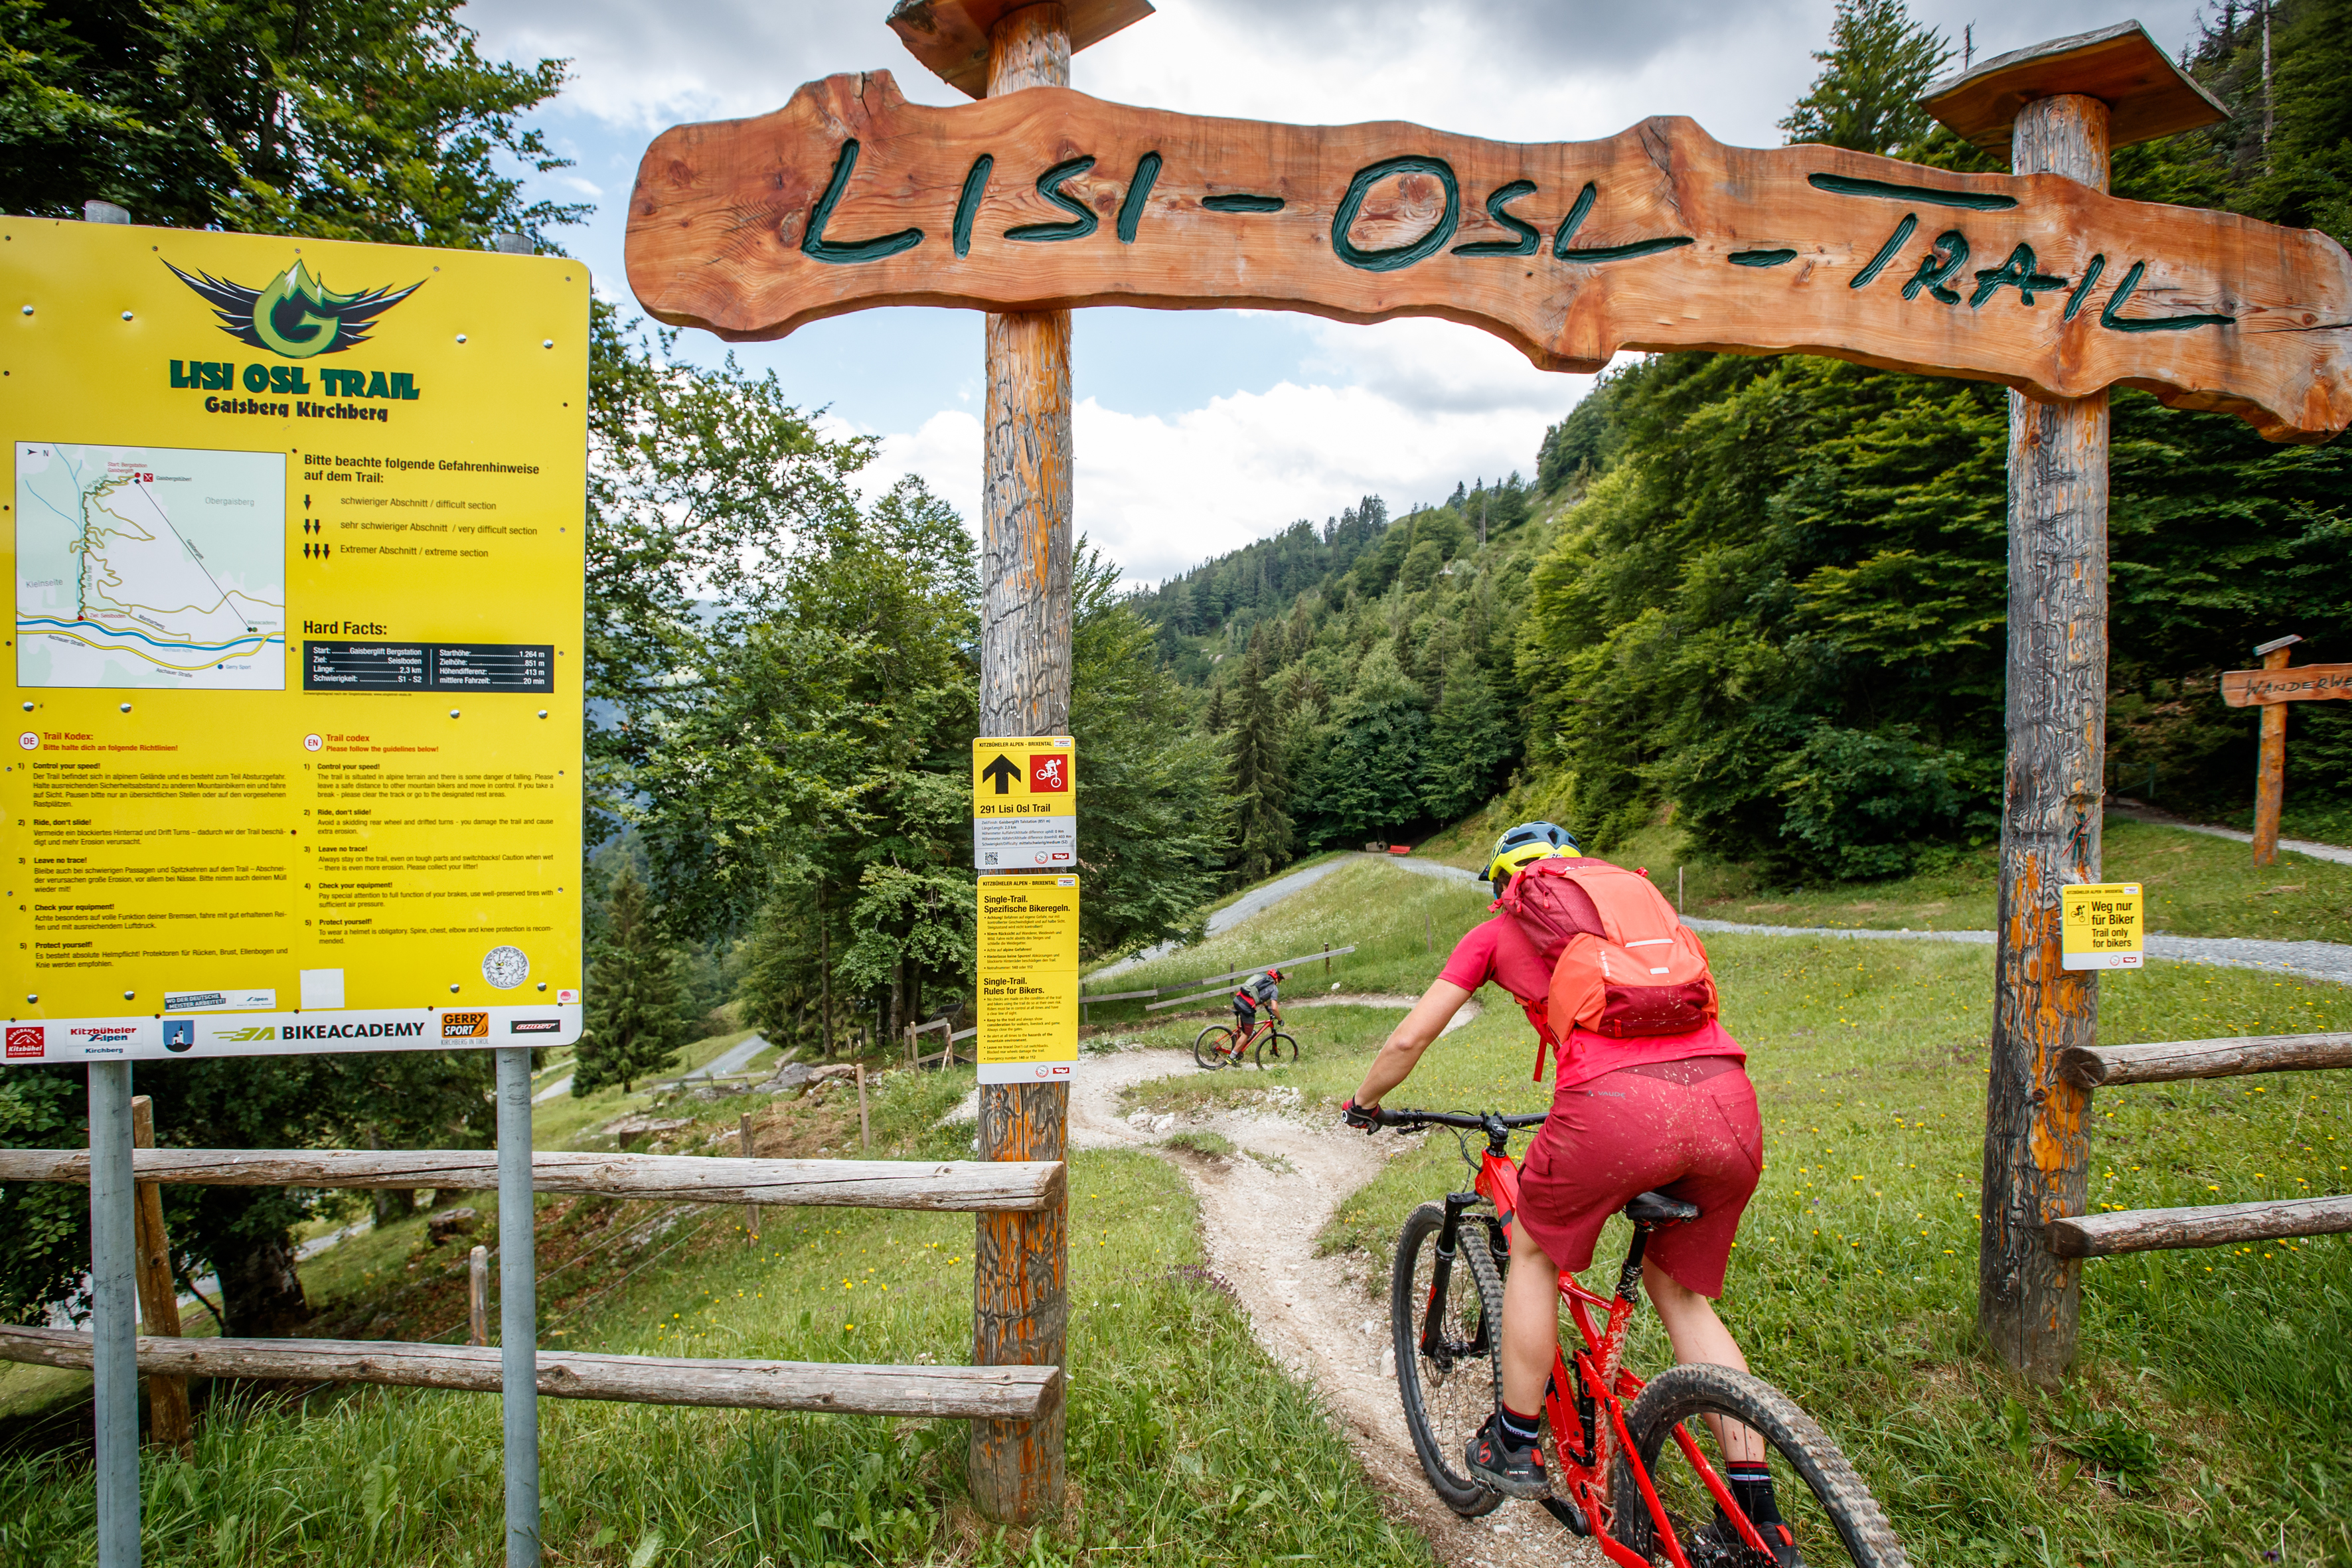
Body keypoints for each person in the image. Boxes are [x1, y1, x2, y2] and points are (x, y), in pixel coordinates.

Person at [1340, 823, 1788, 1561]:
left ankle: (1514, 1443)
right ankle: (1759, 1515)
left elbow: (1410, 1038)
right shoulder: (1640, 910)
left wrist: (1363, 1101)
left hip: (1612, 1110)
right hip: (1727, 1104)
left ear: (1507, 886)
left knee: (1534, 1254)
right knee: (1682, 1296)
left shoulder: (1497, 931)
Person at [1231, 966, 1283, 1045]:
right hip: (1246, 1006)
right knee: (1248, 1033)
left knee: (1245, 1023)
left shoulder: (1261, 978)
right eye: (1279, 981)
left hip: (1238, 999)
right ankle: (1234, 1055)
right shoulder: (1274, 988)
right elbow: (1274, 1008)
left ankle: (1238, 1035)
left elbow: (1259, 995)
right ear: (1276, 979)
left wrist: (1266, 1007)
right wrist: (1280, 1020)